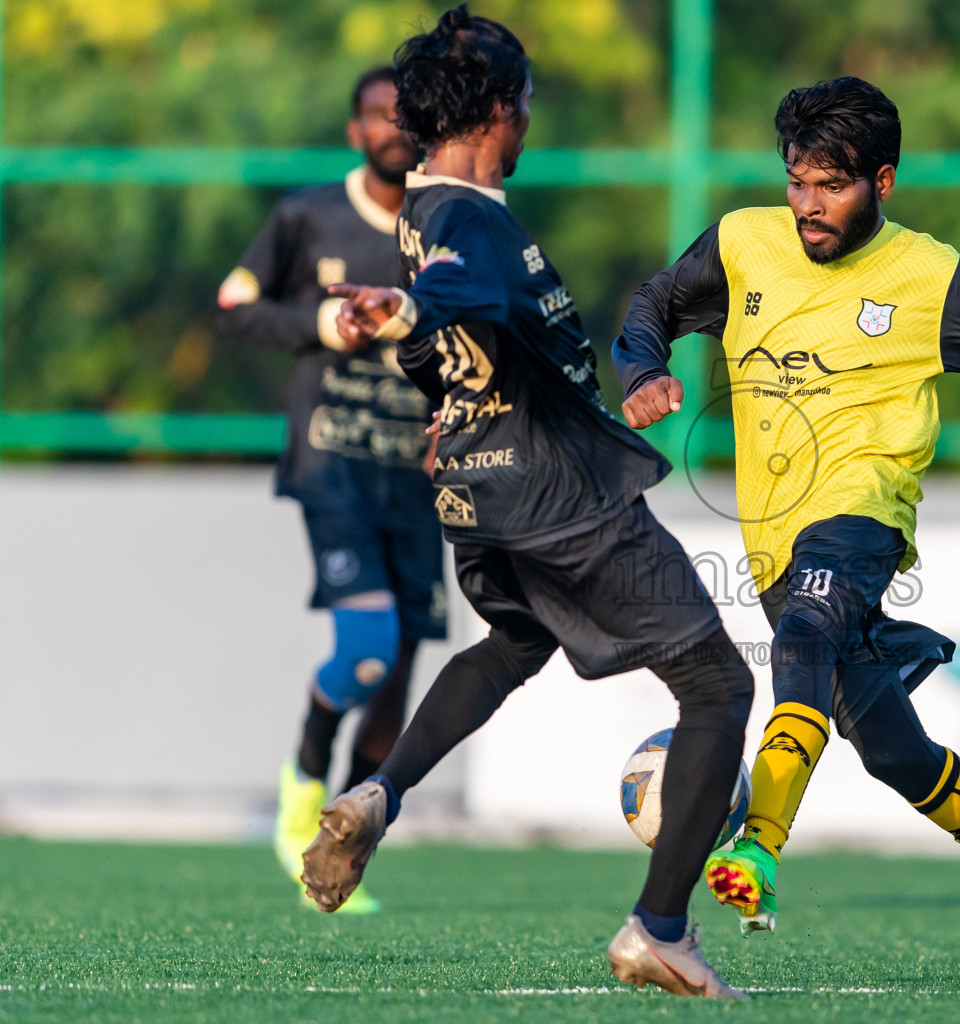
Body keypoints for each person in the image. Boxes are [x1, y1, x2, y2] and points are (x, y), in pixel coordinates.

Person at [613, 77, 960, 984]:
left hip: (864, 515)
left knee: (805, 637)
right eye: (797, 182)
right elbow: (652, 305)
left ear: (885, 182)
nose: (808, 207)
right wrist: (639, 370)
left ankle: (759, 849)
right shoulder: (744, 244)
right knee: (898, 756)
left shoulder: (930, 278)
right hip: (774, 542)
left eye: (831, 186)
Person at [298, 7, 753, 1000]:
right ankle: (661, 926)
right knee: (719, 687)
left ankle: (379, 793)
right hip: (557, 494)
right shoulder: (463, 215)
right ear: (500, 109)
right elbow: (459, 300)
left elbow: (457, 343)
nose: (531, 118)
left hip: (479, 486)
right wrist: (419, 311)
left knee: (512, 644)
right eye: (529, 101)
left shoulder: (420, 207)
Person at [216, 67, 441, 915]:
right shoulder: (307, 216)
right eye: (376, 114)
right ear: (355, 131)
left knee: (396, 684)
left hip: (419, 481)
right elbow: (234, 308)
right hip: (332, 463)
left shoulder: (447, 226)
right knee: (368, 645)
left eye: (405, 114)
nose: (391, 125)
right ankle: (301, 786)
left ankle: (337, 851)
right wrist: (317, 322)